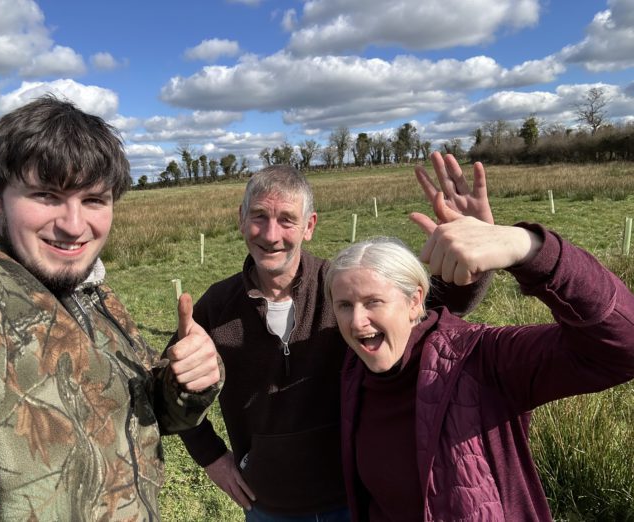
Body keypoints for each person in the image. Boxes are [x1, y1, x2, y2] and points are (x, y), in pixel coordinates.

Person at [0, 95, 222, 520]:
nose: (74, 226)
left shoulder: (89, 288)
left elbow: (136, 411)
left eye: (93, 200)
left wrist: (184, 382)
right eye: (47, 195)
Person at [175, 155, 494, 521]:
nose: (271, 234)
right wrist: (210, 456)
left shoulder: (341, 286)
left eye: (287, 220)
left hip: (355, 497)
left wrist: (474, 261)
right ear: (242, 220)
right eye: (259, 216)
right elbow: (171, 387)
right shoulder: (217, 307)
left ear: (309, 226)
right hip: (267, 506)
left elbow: (421, 315)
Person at [325, 166, 634, 520]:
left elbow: (624, 346)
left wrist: (526, 248)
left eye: (373, 302)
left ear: (414, 302)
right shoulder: (353, 371)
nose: (356, 321)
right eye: (344, 305)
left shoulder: (480, 361)